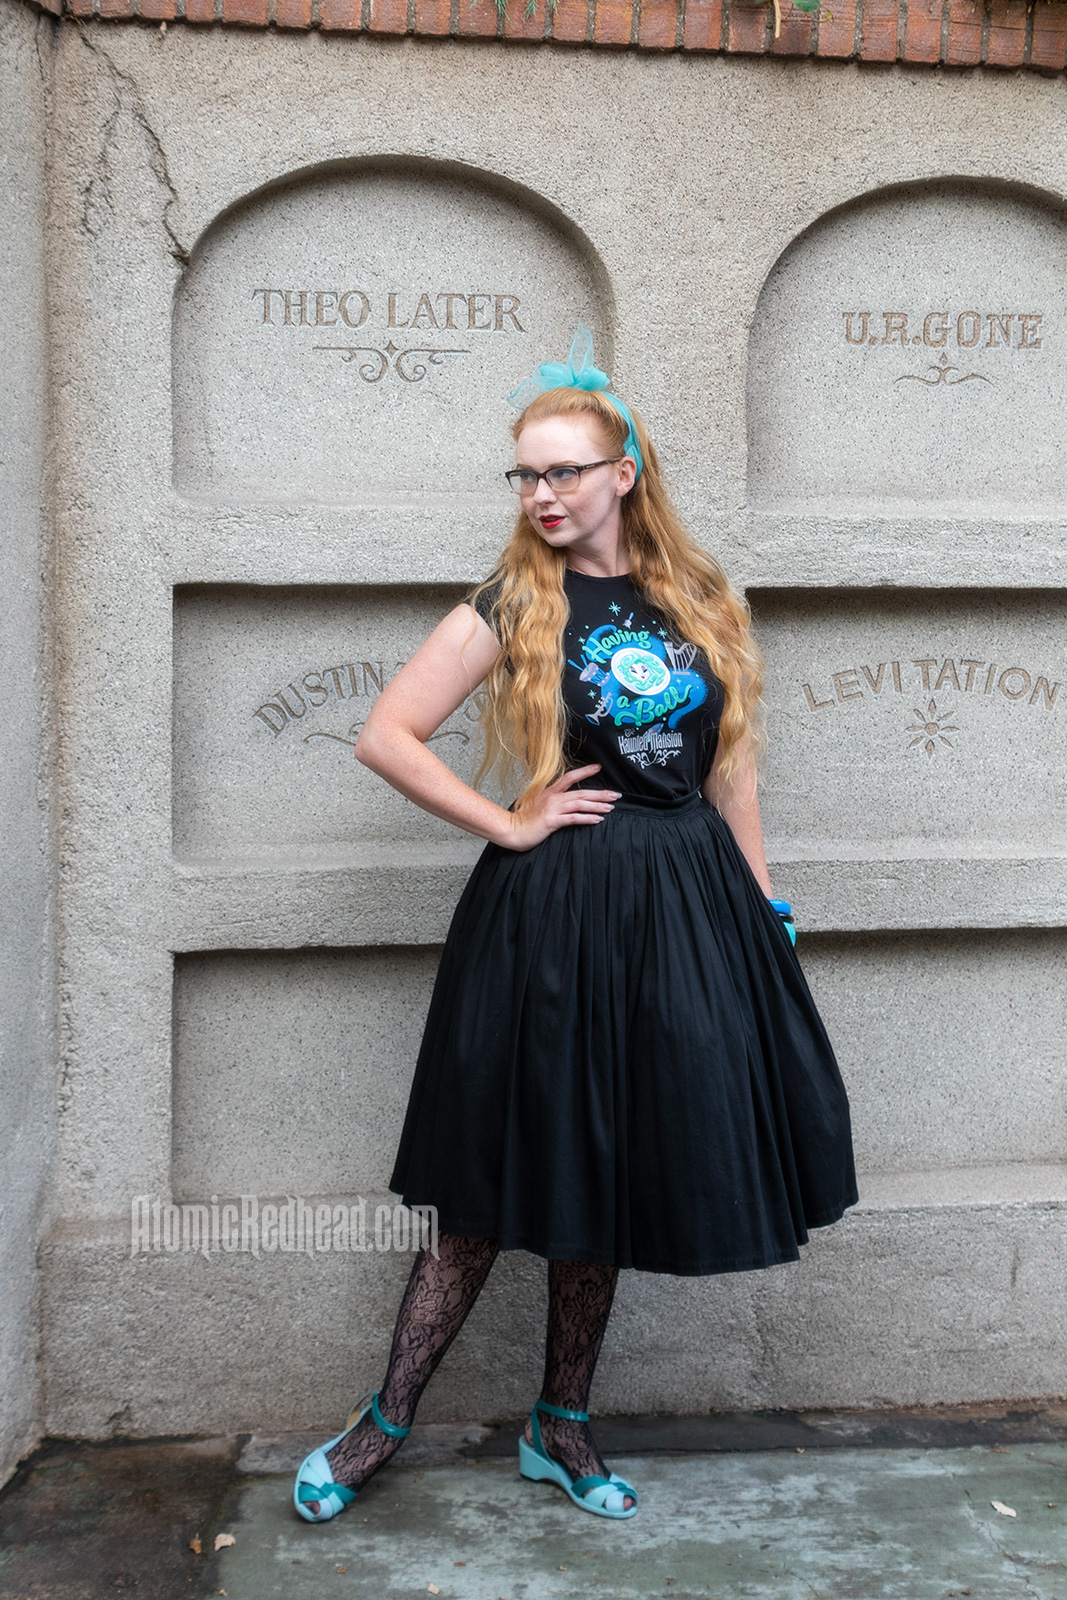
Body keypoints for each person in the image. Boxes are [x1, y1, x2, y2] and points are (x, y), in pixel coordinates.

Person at [293, 327, 858, 1525]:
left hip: (681, 911)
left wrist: (761, 906)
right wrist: (506, 824)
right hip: (552, 919)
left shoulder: (701, 598)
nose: (540, 495)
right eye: (524, 475)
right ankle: (379, 1424)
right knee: (491, 1184)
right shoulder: (513, 598)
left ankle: (561, 1422)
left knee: (603, 1174)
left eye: (561, 471)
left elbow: (730, 767)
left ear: (623, 471)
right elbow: (383, 733)